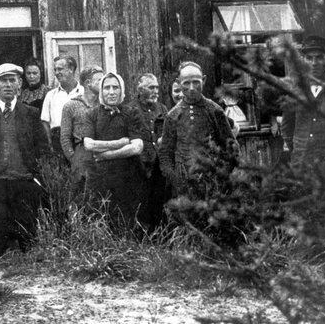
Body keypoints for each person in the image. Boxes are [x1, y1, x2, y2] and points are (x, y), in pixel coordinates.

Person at [0, 63, 50, 260]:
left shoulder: (30, 114)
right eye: (2, 81)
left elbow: (44, 151)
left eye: (12, 80)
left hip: (25, 187)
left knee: (29, 245)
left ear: (19, 84)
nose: (7, 85)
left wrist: (41, 183)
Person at [159, 62, 239, 198]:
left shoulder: (214, 111)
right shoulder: (172, 115)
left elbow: (232, 149)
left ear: (204, 80)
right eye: (186, 83)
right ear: (179, 83)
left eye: (196, 82)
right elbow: (165, 154)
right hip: (183, 188)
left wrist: (220, 177)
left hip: (212, 186)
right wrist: (176, 180)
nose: (191, 88)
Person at [82, 72, 146, 229]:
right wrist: (120, 142)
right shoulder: (92, 114)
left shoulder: (131, 113)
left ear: (121, 90)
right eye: (107, 87)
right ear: (101, 91)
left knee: (128, 220)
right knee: (100, 216)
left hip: (127, 175)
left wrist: (106, 155)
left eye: (115, 88)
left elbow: (137, 147)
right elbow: (89, 144)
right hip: (100, 176)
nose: (111, 92)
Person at [281, 35, 325, 169]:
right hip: (303, 165)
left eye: (319, 57)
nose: (314, 63)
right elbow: (287, 128)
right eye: (309, 58)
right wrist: (299, 151)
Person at [127, 73, 169, 229]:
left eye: (157, 87)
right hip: (139, 164)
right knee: (141, 202)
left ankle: (159, 235)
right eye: (151, 87)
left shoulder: (162, 108)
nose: (155, 91)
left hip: (159, 164)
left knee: (158, 201)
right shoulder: (130, 110)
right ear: (140, 89)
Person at [60, 66, 105, 190]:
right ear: (88, 83)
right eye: (99, 80)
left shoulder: (104, 106)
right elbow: (65, 137)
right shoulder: (71, 106)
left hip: (103, 155)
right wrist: (74, 159)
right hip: (81, 155)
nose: (103, 84)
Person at [41, 56, 84, 154]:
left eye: (60, 69)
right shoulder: (50, 95)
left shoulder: (83, 92)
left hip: (80, 142)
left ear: (71, 69)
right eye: (55, 70)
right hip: (58, 144)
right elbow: (45, 122)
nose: (56, 73)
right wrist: (50, 145)